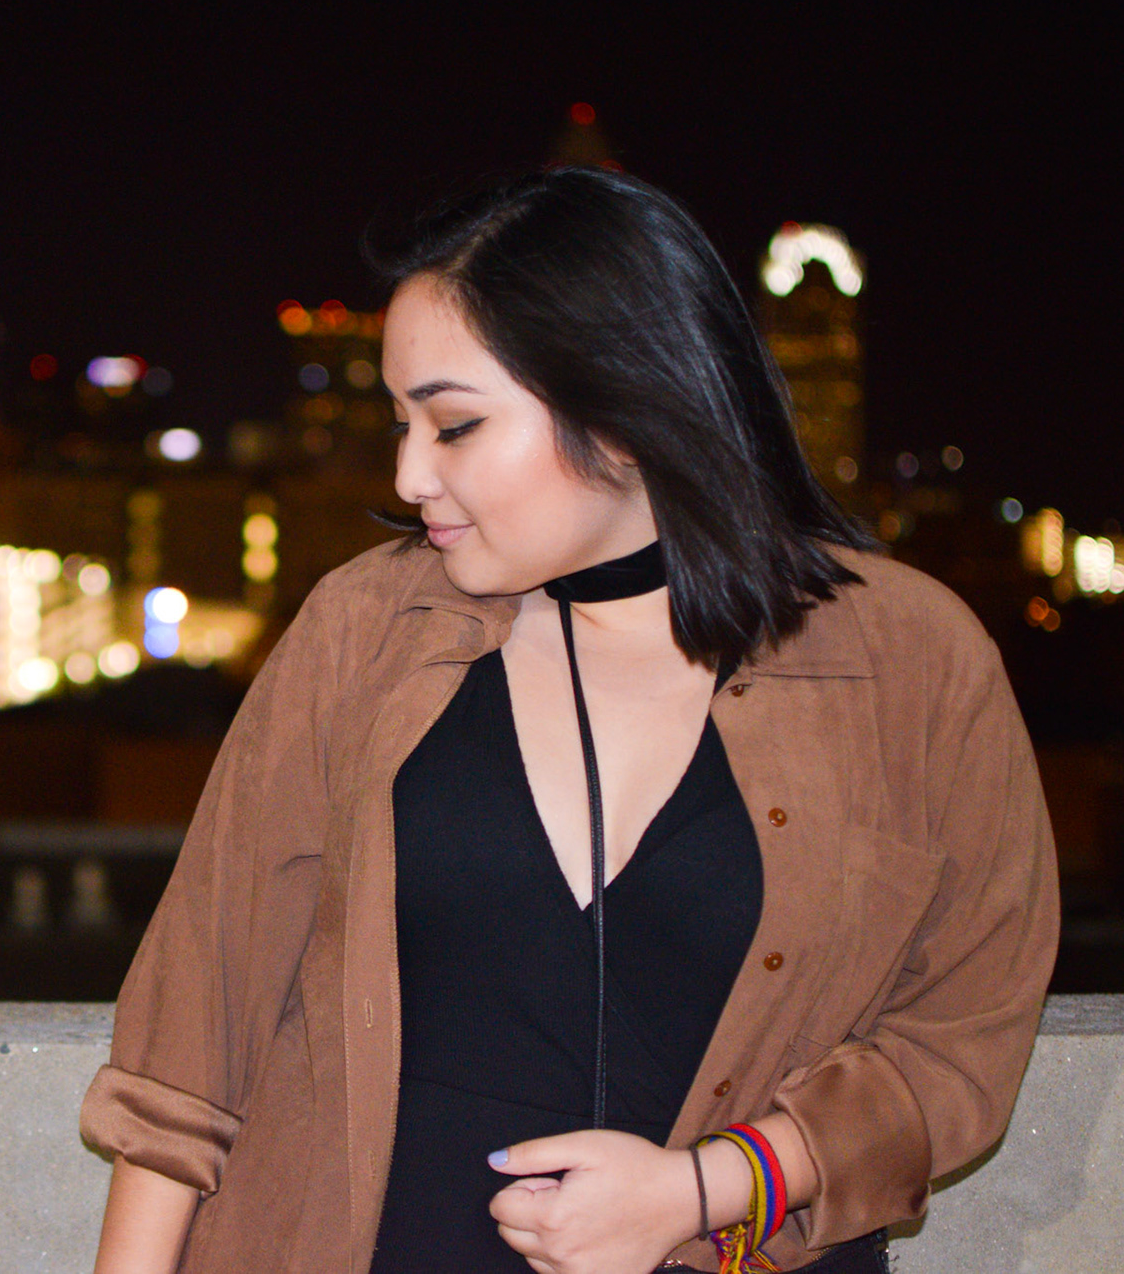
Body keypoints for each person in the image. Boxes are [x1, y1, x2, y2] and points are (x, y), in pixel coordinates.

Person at [81, 167, 1059, 1273]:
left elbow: (961, 1039)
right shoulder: (364, 630)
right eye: (400, 423)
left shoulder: (913, 662)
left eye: (453, 424)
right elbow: (192, 1033)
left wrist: (705, 1188)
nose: (409, 473)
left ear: (625, 410)